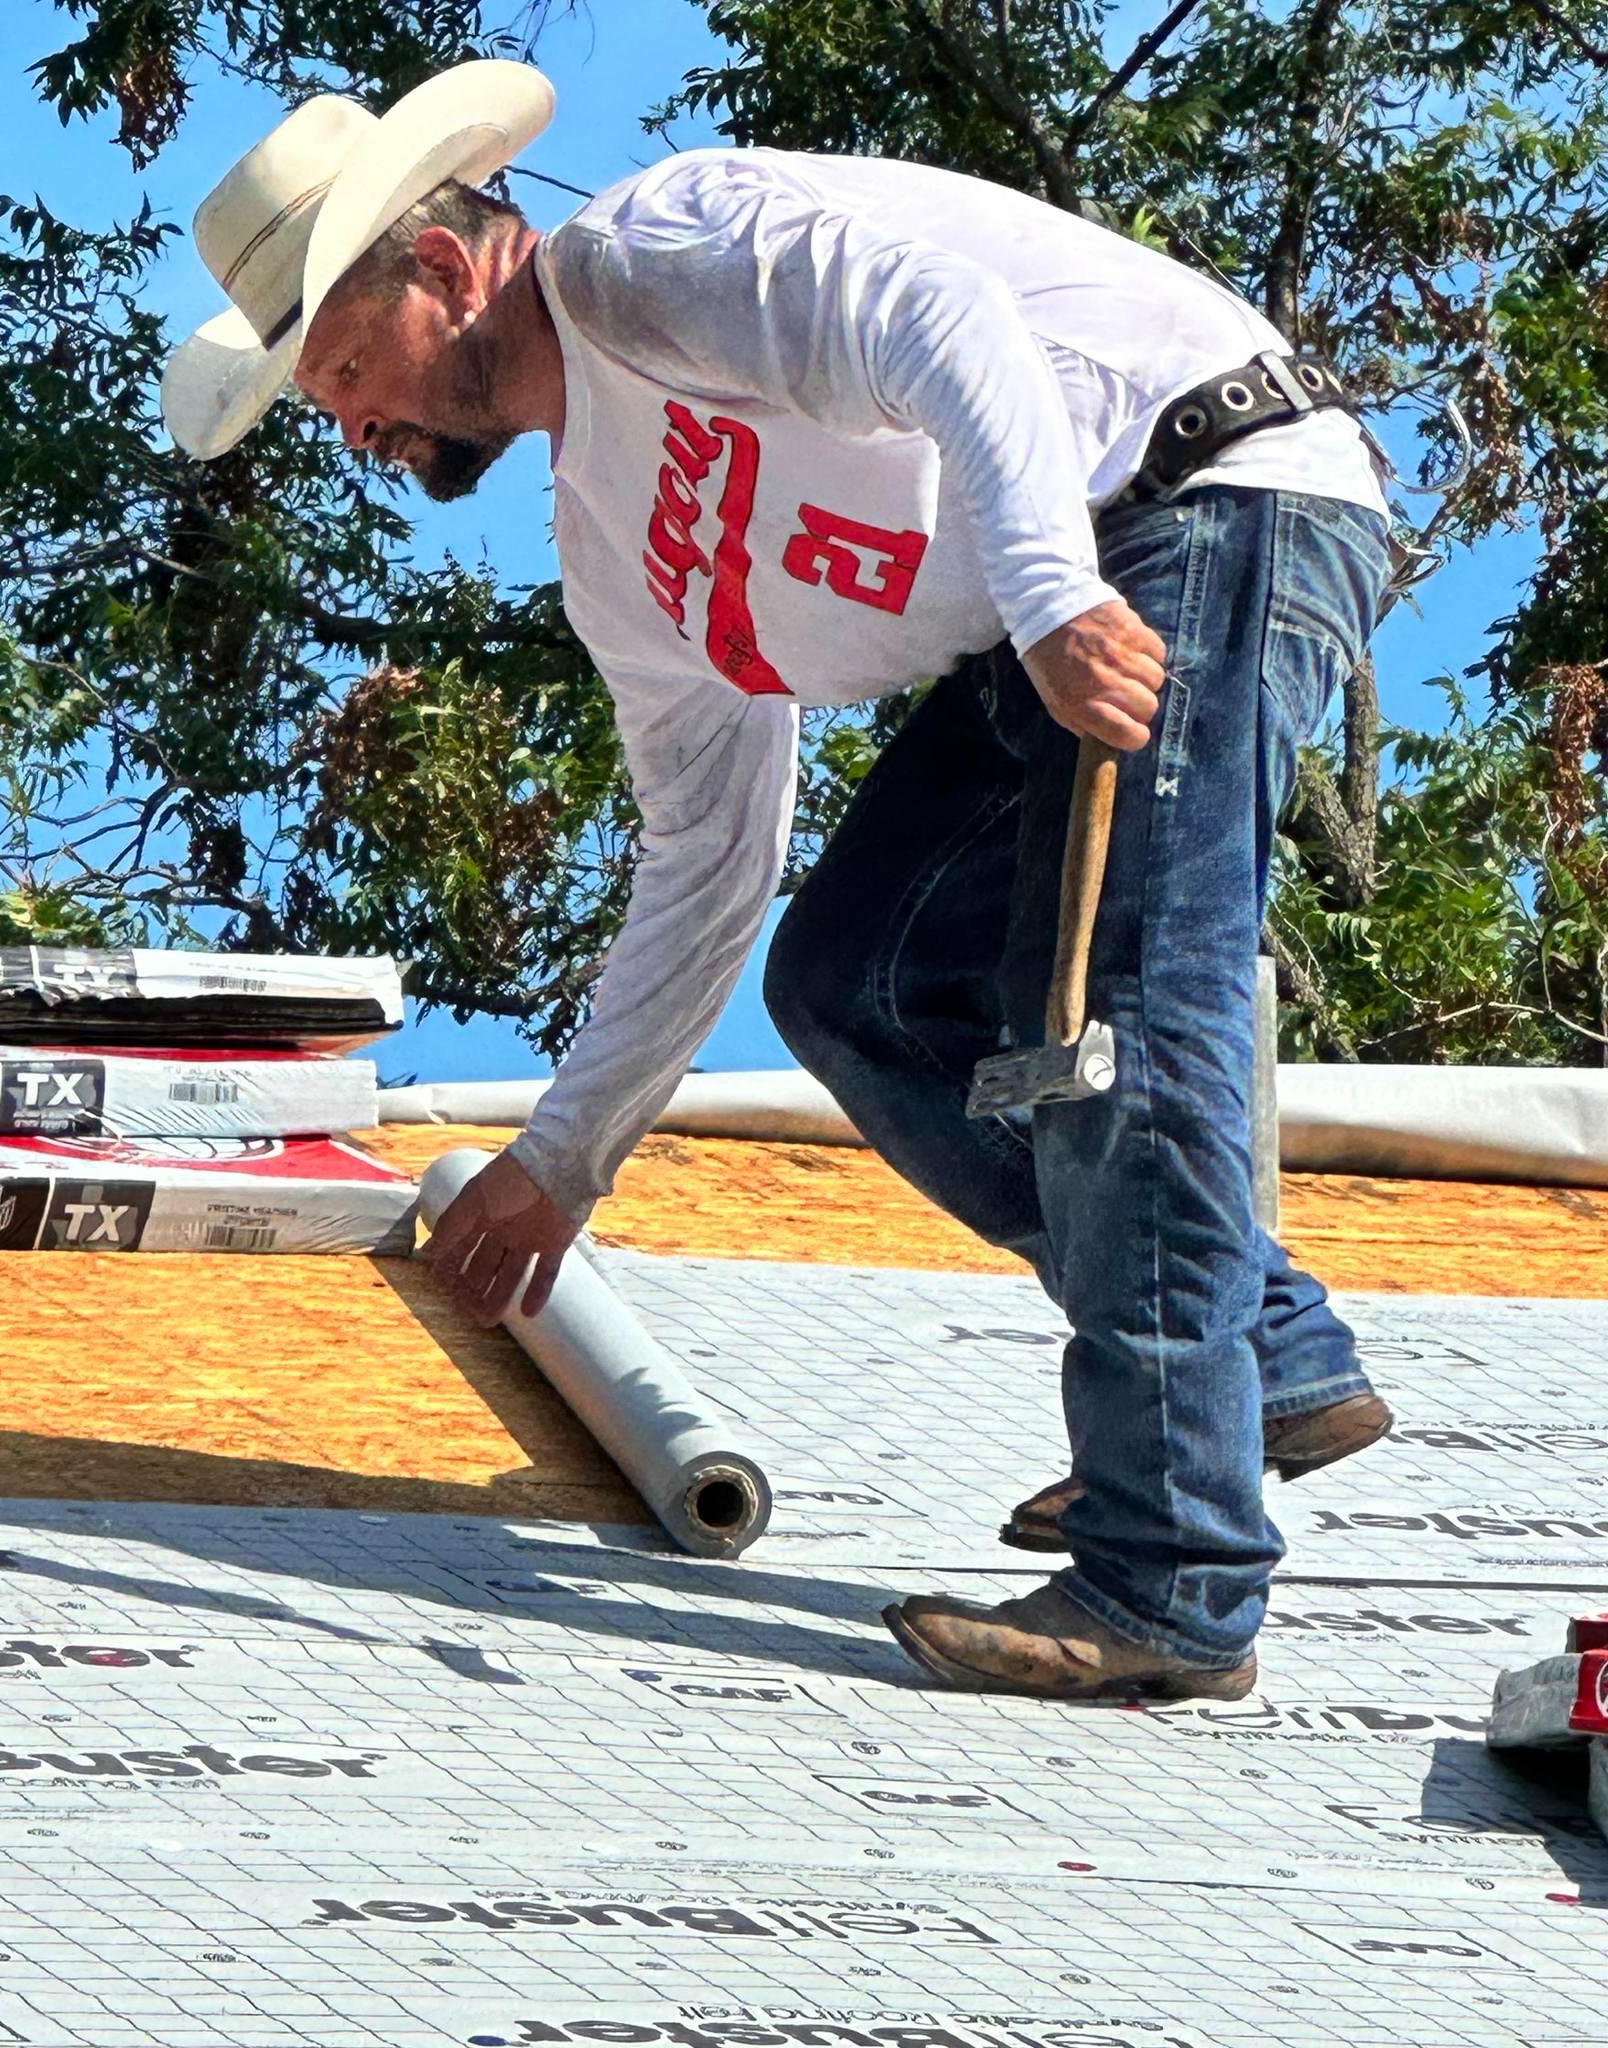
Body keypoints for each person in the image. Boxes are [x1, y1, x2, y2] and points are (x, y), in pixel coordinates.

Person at [164, 59, 1397, 1701]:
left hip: (1205, 495)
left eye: (340, 369)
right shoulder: (612, 553)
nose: (351, 425)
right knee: (851, 982)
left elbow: (944, 320)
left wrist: (1049, 597)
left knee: (1124, 1005)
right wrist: (565, 1156)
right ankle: (1262, 1356)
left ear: (445, 266)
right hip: (1047, 612)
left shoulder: (652, 256)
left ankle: (1171, 1574)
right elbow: (707, 858)